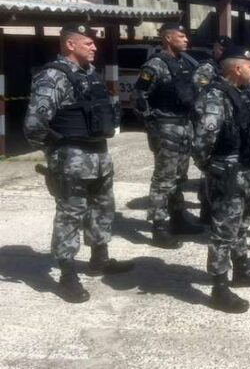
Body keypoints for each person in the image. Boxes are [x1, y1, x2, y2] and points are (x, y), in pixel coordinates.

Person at [24, 23, 133, 303]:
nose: (94, 47)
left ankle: (99, 259)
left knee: (102, 208)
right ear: (70, 45)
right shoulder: (53, 76)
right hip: (70, 158)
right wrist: (54, 151)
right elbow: (35, 123)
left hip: (98, 156)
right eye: (88, 43)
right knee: (70, 215)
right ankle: (67, 275)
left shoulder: (90, 74)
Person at [193, 45, 250, 313]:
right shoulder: (216, 97)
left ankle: (242, 271)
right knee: (223, 232)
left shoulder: (242, 93)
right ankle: (219, 287)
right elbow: (203, 140)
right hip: (227, 172)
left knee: (242, 226)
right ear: (237, 69)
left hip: (248, 168)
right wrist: (209, 166)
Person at [133, 22, 204, 249]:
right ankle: (159, 226)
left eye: (186, 36)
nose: (186, 40)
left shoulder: (185, 62)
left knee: (179, 178)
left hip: (184, 127)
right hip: (166, 128)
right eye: (181, 36)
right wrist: (153, 124)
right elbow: (138, 98)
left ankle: (178, 218)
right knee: (163, 180)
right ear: (167, 38)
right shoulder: (155, 65)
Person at [194, 35, 232, 225]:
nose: (221, 52)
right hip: (208, 118)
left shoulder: (226, 68)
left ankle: (211, 208)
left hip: (222, 121)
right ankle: (206, 209)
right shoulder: (207, 68)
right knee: (208, 170)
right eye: (219, 48)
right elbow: (198, 92)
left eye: (225, 49)